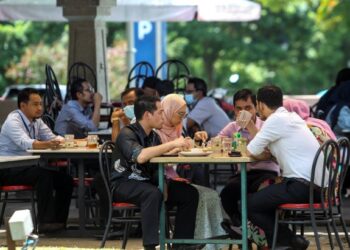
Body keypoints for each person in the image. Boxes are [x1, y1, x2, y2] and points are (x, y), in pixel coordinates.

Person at [113, 95, 203, 250]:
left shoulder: (153, 136)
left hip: (149, 181)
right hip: (124, 183)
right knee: (153, 193)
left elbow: (159, 160)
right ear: (148, 115)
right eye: (160, 112)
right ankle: (151, 246)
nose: (164, 115)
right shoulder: (127, 134)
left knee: (189, 193)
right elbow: (140, 156)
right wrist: (173, 144)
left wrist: (178, 149)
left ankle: (181, 245)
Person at [245, 85, 322, 249]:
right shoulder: (291, 117)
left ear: (260, 105)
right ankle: (282, 244)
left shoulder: (274, 120)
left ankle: (292, 241)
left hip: (302, 186)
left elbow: (252, 150)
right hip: (318, 187)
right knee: (263, 200)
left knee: (249, 204)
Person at [156, 94, 225, 249]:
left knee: (210, 194)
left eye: (184, 115)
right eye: (179, 114)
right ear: (167, 110)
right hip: (158, 181)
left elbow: (184, 147)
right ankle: (183, 244)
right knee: (191, 194)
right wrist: (178, 146)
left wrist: (195, 140)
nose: (182, 118)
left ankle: (208, 242)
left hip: (172, 178)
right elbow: (162, 158)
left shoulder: (177, 128)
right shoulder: (156, 130)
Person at [0, 88, 73, 233]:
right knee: (43, 175)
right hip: (7, 169)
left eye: (41, 104)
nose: (40, 108)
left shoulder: (37, 121)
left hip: (27, 168)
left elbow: (52, 137)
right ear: (23, 106)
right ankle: (45, 223)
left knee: (65, 179)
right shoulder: (13, 120)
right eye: (35, 104)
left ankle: (58, 222)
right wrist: (48, 144)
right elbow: (26, 143)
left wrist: (66, 141)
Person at [218, 89, 279, 228]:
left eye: (247, 108)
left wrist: (251, 127)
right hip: (244, 174)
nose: (243, 112)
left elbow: (271, 151)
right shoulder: (232, 127)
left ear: (256, 108)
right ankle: (240, 225)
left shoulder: (267, 126)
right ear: (234, 110)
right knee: (227, 193)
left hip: (266, 173)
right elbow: (217, 142)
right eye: (239, 109)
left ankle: (259, 230)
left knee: (258, 197)